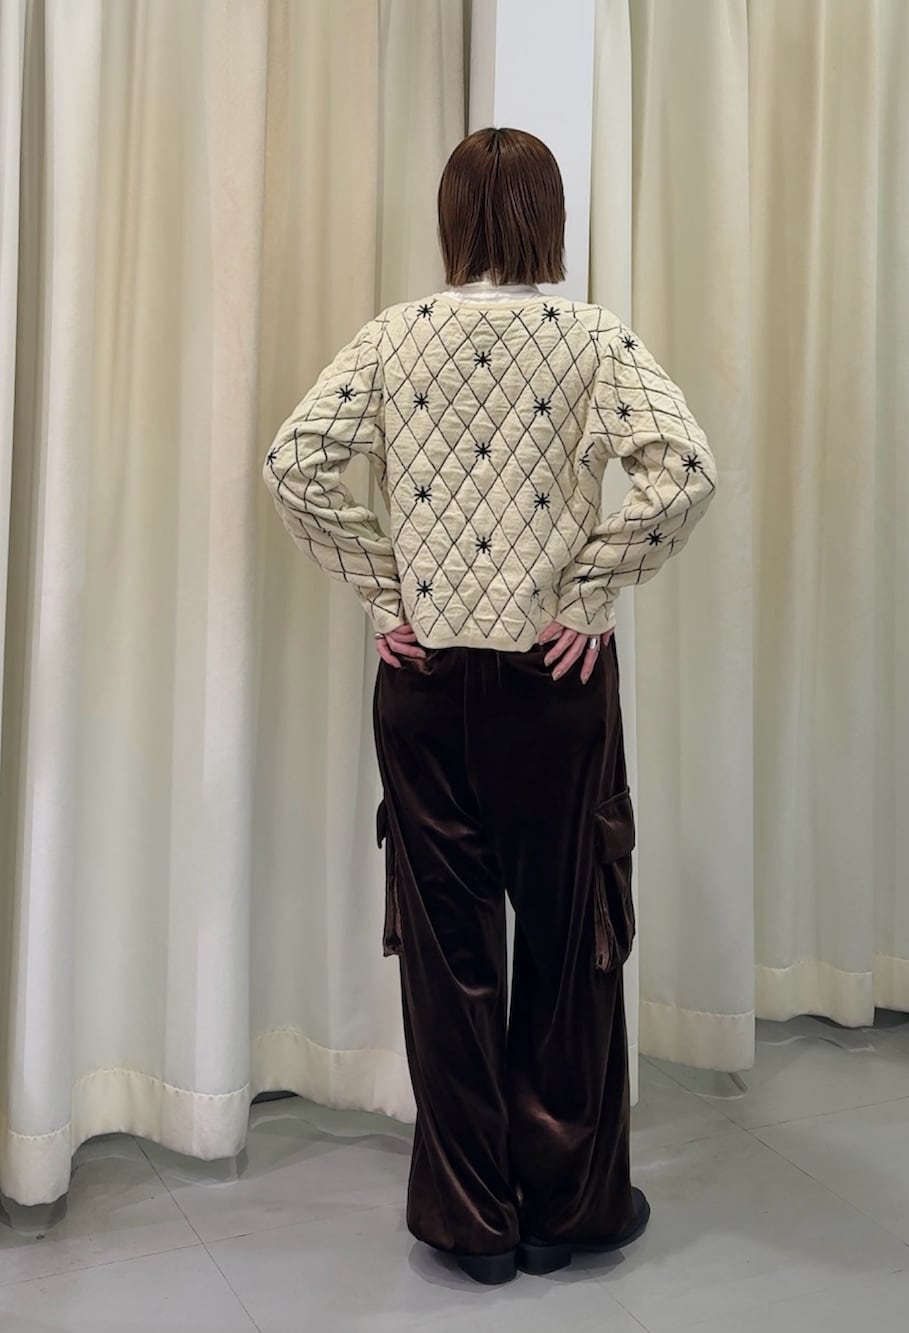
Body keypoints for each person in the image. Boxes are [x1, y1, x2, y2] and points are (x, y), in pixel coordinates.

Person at [262, 127, 717, 1286]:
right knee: (569, 940)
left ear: (452, 218)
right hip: (552, 683)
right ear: (548, 218)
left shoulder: (391, 336)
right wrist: (591, 592)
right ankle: (565, 1205)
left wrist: (384, 591)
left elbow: (293, 463)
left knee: (448, 950)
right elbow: (685, 469)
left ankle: (471, 1217)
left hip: (423, 684)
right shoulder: (592, 339)